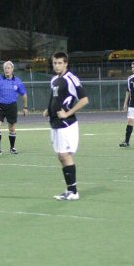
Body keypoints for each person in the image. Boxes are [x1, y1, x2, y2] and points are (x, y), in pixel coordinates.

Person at [44, 51, 89, 200]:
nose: (56, 65)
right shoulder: (54, 80)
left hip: (66, 124)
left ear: (66, 63)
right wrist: (48, 109)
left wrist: (68, 113)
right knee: (60, 156)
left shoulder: (71, 79)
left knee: (65, 155)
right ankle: (69, 190)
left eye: (59, 63)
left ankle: (74, 192)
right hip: (55, 123)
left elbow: (84, 100)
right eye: (54, 63)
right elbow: (53, 98)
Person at [0, 61, 28, 154]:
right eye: (5, 68)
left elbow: (24, 94)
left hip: (12, 106)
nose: (7, 70)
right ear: (3, 69)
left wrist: (25, 107)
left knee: (12, 128)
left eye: (8, 68)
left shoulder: (17, 81)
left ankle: (12, 148)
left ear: (12, 69)